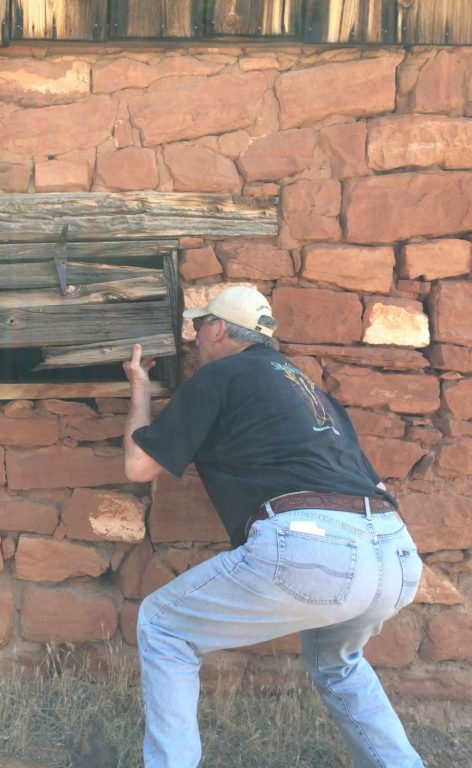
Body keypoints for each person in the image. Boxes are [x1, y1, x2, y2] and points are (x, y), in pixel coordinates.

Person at [122, 285, 424, 768]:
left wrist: (139, 388)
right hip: (394, 553)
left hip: (314, 548)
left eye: (200, 325)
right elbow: (377, 483)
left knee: (163, 626)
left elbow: (139, 466)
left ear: (217, 330)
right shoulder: (313, 393)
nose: (195, 337)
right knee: (338, 665)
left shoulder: (217, 375)